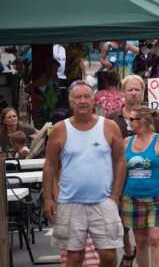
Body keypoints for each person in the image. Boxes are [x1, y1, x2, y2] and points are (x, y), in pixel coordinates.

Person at [43, 81, 126, 267]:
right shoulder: (59, 129)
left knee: (109, 256)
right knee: (74, 257)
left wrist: (115, 195)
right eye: (77, 97)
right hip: (69, 202)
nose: (82, 101)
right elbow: (50, 165)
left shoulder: (109, 126)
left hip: (104, 201)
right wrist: (48, 198)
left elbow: (120, 161)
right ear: (70, 101)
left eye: (86, 97)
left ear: (93, 100)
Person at [106, 75, 159, 266]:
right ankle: (127, 249)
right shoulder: (112, 118)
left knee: (152, 238)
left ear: (143, 91)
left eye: (137, 89)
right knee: (125, 228)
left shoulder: (154, 117)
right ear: (122, 92)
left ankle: (130, 254)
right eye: (129, 89)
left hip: (150, 185)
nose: (134, 93)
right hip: (120, 180)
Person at [121, 106, 159, 267]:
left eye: (132, 120)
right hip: (132, 198)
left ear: (142, 121)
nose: (128, 123)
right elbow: (122, 171)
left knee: (155, 239)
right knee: (141, 241)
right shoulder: (126, 142)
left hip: (156, 197)